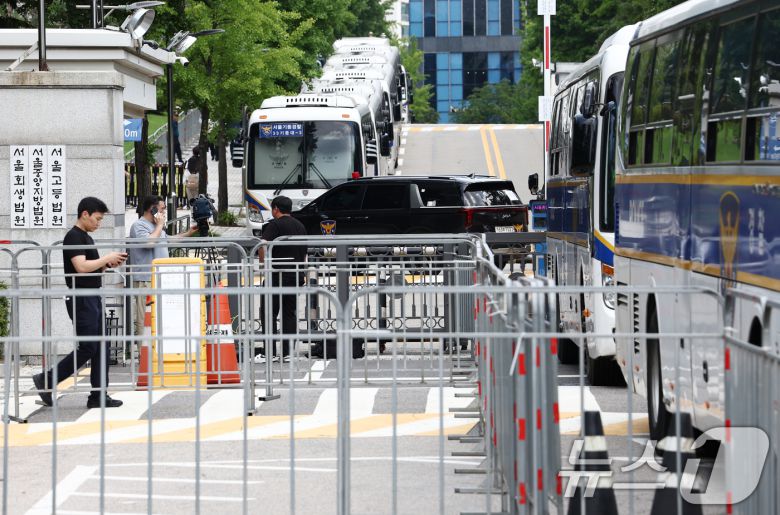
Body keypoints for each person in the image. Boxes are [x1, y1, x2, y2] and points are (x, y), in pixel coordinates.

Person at [33, 197, 128, 408]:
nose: (99, 223)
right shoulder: (73, 237)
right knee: (88, 347)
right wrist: (106, 258)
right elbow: (81, 267)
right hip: (81, 297)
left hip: (91, 295)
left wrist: (107, 264)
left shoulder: (85, 237)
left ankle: (99, 395)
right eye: (97, 219)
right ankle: (47, 379)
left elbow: (90, 267)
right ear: (85, 214)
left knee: (101, 345)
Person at [127, 196, 198, 336]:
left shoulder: (156, 227)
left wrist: (188, 233)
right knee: (145, 319)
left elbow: (167, 241)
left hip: (161, 279)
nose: (164, 212)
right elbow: (149, 243)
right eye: (162, 209)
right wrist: (160, 225)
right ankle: (144, 353)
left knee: (160, 318)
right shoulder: (139, 225)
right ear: (151, 209)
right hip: (146, 280)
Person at [256, 196, 307, 363]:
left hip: (276, 275)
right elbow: (304, 251)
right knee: (289, 314)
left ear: (276, 209)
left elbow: (263, 244)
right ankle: (287, 352)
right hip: (295, 275)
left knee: (268, 313)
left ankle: (269, 352)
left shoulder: (274, 225)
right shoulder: (300, 226)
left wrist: (264, 262)